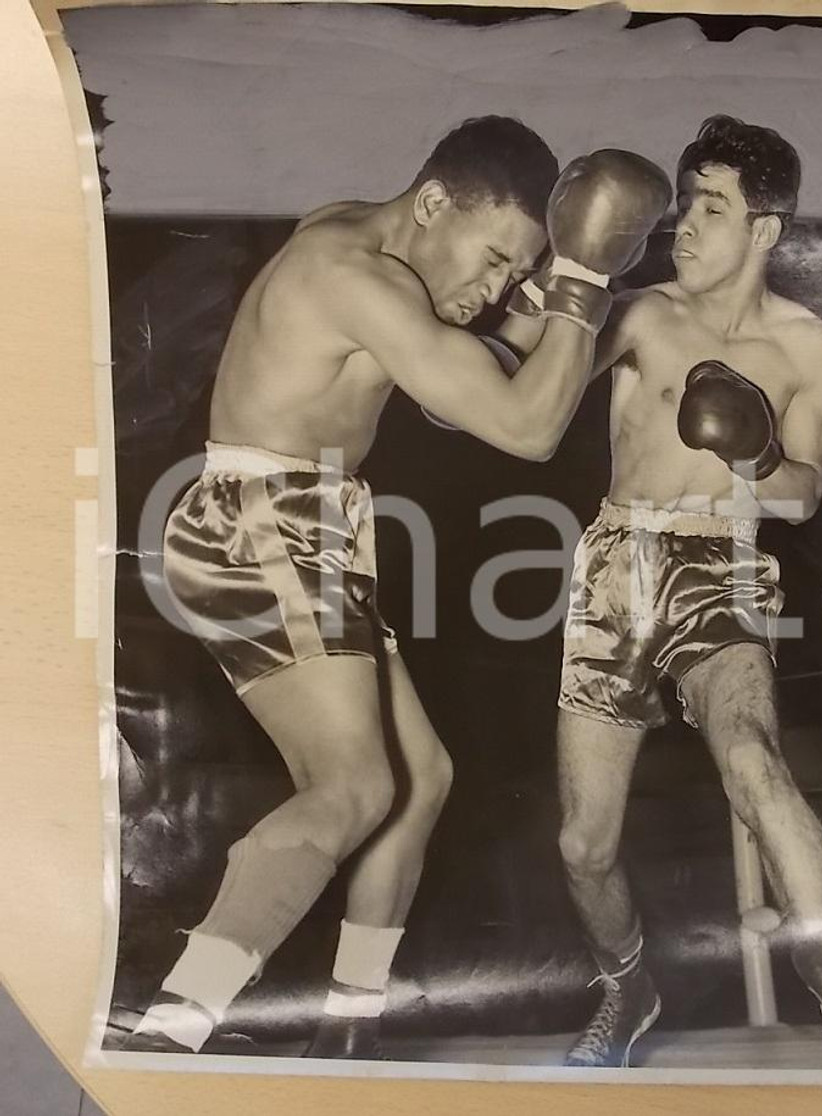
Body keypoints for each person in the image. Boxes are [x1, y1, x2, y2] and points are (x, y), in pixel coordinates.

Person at [123, 115, 671, 1059]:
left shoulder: (373, 244)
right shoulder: (350, 275)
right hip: (264, 521)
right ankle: (176, 1026)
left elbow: (453, 380)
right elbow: (524, 427)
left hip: (306, 525)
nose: (495, 286)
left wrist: (543, 290)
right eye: (494, 257)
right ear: (430, 203)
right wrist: (582, 282)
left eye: (513, 270)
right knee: (352, 786)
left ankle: (348, 1028)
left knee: (421, 784)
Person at [503, 115, 822, 1071]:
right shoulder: (640, 313)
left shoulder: (812, 348)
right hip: (615, 565)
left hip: (721, 563)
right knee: (582, 847)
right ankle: (629, 987)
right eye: (684, 203)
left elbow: (803, 492)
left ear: (765, 229)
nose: (685, 224)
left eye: (711, 207)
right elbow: (531, 370)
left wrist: (755, 451)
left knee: (756, 761)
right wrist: (564, 272)